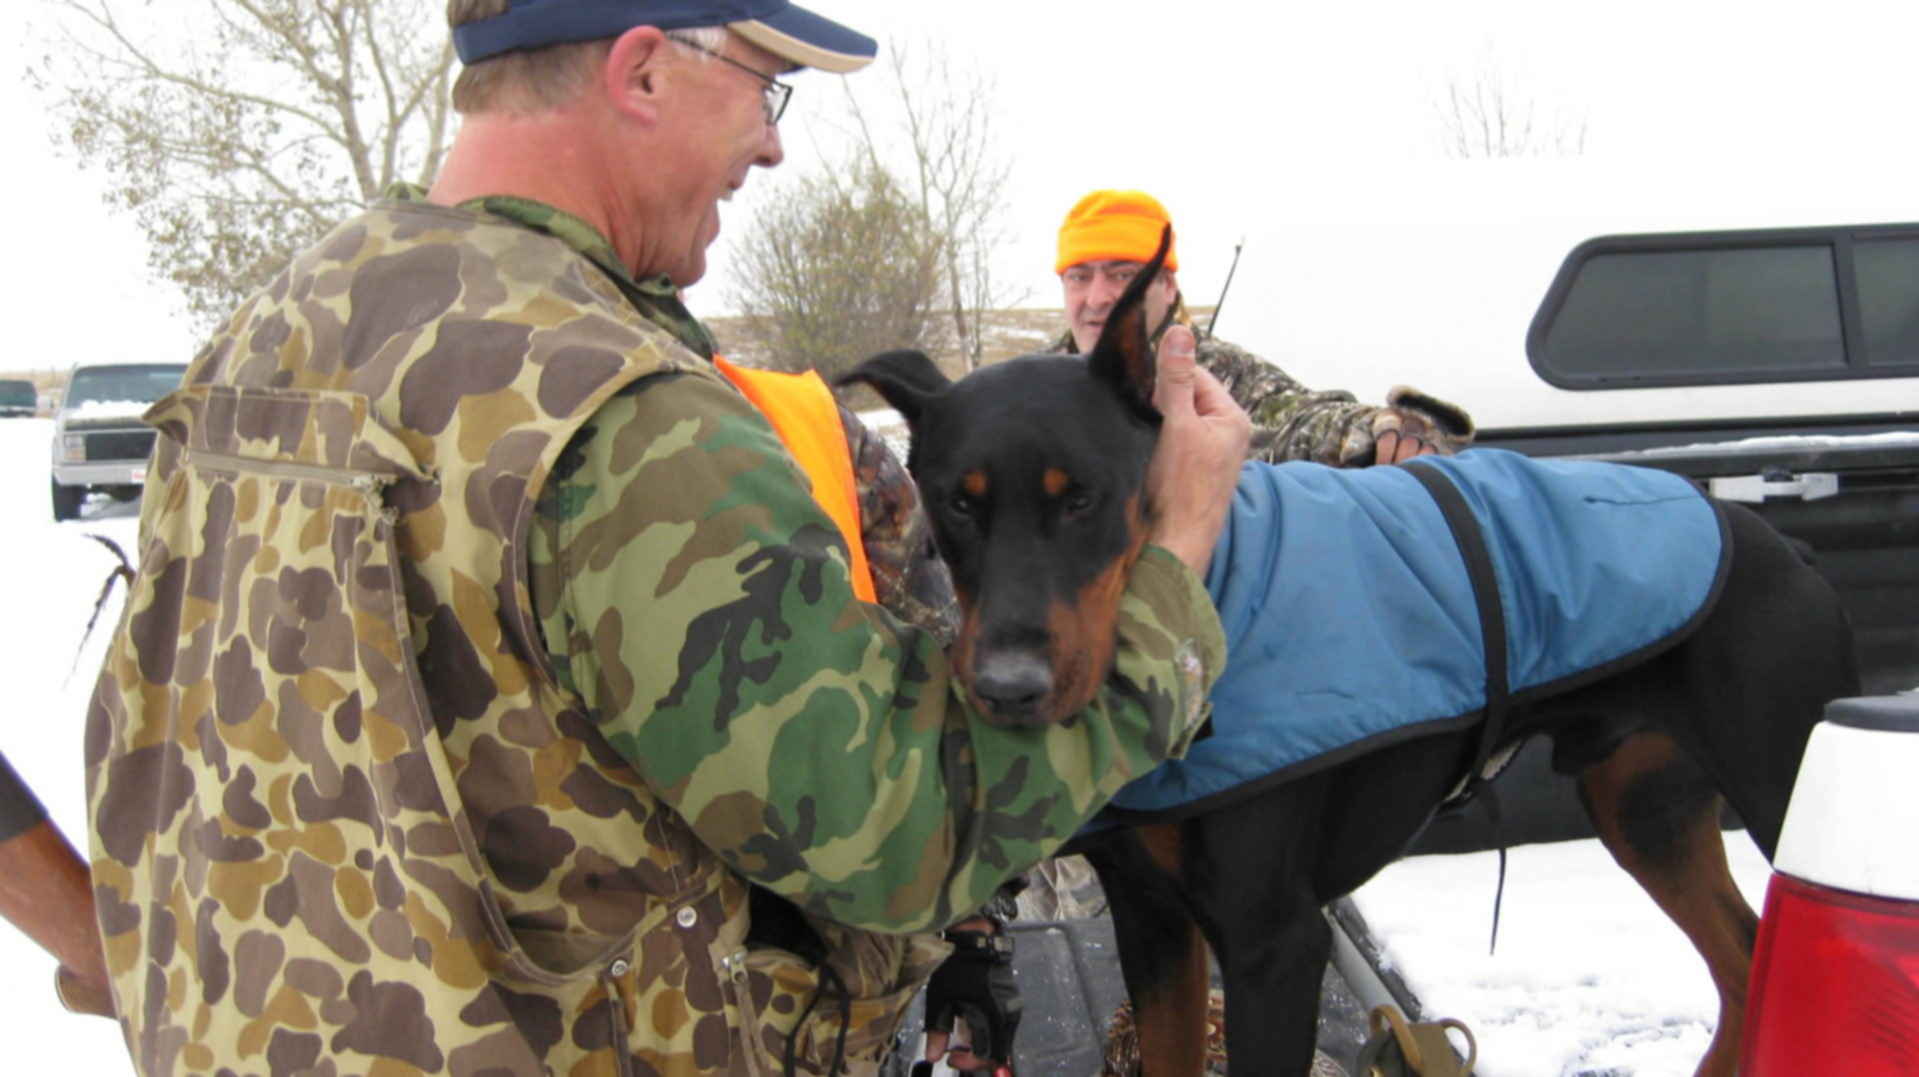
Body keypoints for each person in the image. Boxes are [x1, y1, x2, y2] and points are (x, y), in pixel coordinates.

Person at [81, 4, 1248, 1077]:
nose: (772, 145)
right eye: (764, 88)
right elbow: (902, 842)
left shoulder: (270, 332)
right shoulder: (625, 411)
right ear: (643, 68)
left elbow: (148, 742)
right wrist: (1177, 557)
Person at [1051, 189, 1475, 467]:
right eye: (1079, 276)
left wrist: (1377, 427)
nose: (1098, 297)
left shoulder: (1218, 373)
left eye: (1123, 275)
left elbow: (1300, 419)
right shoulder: (1031, 381)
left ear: (1167, 285)